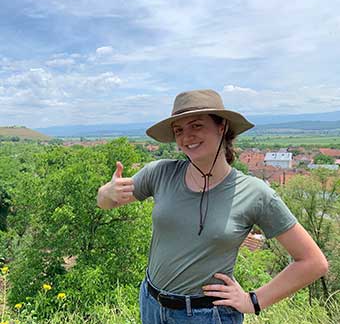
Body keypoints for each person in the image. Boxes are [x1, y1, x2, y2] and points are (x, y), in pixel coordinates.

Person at [97, 89, 328, 324]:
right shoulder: (161, 173)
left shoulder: (254, 193)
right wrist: (107, 191)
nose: (186, 137)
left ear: (222, 127)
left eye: (196, 126)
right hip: (152, 303)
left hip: (206, 315)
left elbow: (313, 262)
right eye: (179, 130)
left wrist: (254, 300)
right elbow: (106, 203)